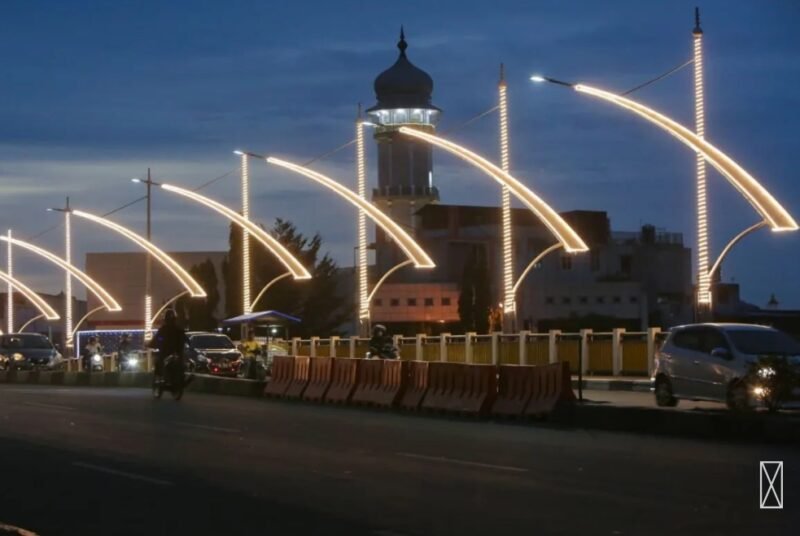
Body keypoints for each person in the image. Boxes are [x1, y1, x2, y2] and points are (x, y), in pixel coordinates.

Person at [148, 309, 186, 382]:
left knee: (158, 362)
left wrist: (151, 344)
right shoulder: (179, 330)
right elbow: (158, 340)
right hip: (177, 353)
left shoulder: (163, 330)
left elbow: (157, 339)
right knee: (182, 363)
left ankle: (159, 378)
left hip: (167, 353)